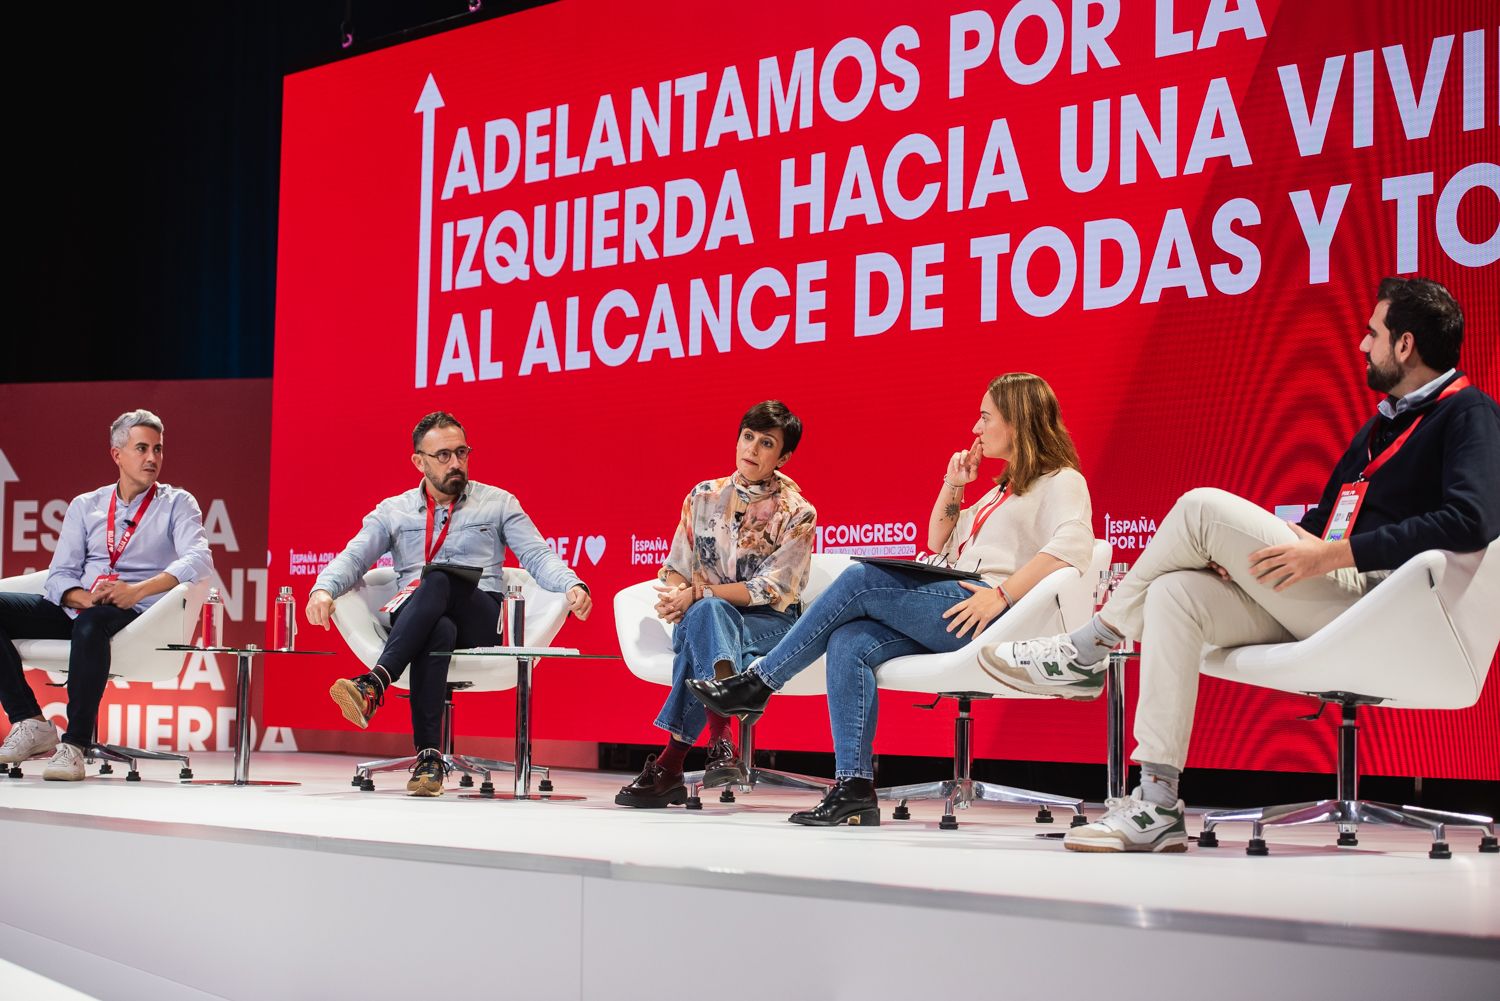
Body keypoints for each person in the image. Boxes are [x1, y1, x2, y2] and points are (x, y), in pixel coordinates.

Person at [984, 277, 1500, 853]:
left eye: (1372, 333)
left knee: (1200, 507)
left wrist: (1331, 554)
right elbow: (1325, 516)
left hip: (1382, 605)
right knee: (1175, 593)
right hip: (1330, 595)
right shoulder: (1381, 424)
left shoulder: (1468, 413)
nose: (1362, 345)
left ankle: (1091, 646)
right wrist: (1248, 561)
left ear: (1405, 345)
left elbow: (1472, 520)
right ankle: (1156, 802)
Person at [688, 374, 1095, 826]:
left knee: (861, 578)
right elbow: (938, 539)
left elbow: (1070, 549)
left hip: (995, 615)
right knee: (850, 639)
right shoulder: (1001, 492)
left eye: (986, 417)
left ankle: (759, 682)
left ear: (1018, 421)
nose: (976, 429)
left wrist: (999, 597)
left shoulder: (1062, 481)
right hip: (959, 606)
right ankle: (854, 787)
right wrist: (955, 484)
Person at [306, 411, 592, 796]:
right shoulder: (393, 511)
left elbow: (537, 556)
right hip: (415, 613)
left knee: (439, 576)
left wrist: (572, 584)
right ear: (418, 462)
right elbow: (354, 557)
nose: (456, 463)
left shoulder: (498, 503)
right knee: (437, 624)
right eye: (443, 455)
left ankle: (375, 682)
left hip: (480, 613)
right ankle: (428, 760)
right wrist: (322, 590)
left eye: (462, 452)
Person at [615, 401, 816, 808]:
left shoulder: (798, 512)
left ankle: (673, 762)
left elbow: (771, 590)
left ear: (784, 456)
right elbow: (676, 567)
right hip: (708, 617)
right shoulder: (702, 496)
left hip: (769, 624)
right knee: (707, 616)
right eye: (747, 437)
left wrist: (699, 594)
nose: (752, 450)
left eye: (766, 443)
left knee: (706, 614)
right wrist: (677, 595)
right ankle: (720, 743)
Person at [0, 410, 213, 781]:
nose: (152, 458)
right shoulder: (86, 505)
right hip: (83, 606)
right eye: (142, 448)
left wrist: (136, 591)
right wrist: (83, 598)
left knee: (92, 626)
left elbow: (198, 558)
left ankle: (75, 744)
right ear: (117, 454)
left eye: (158, 449)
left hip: (139, 614)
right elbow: (60, 573)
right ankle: (29, 721)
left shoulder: (177, 503)